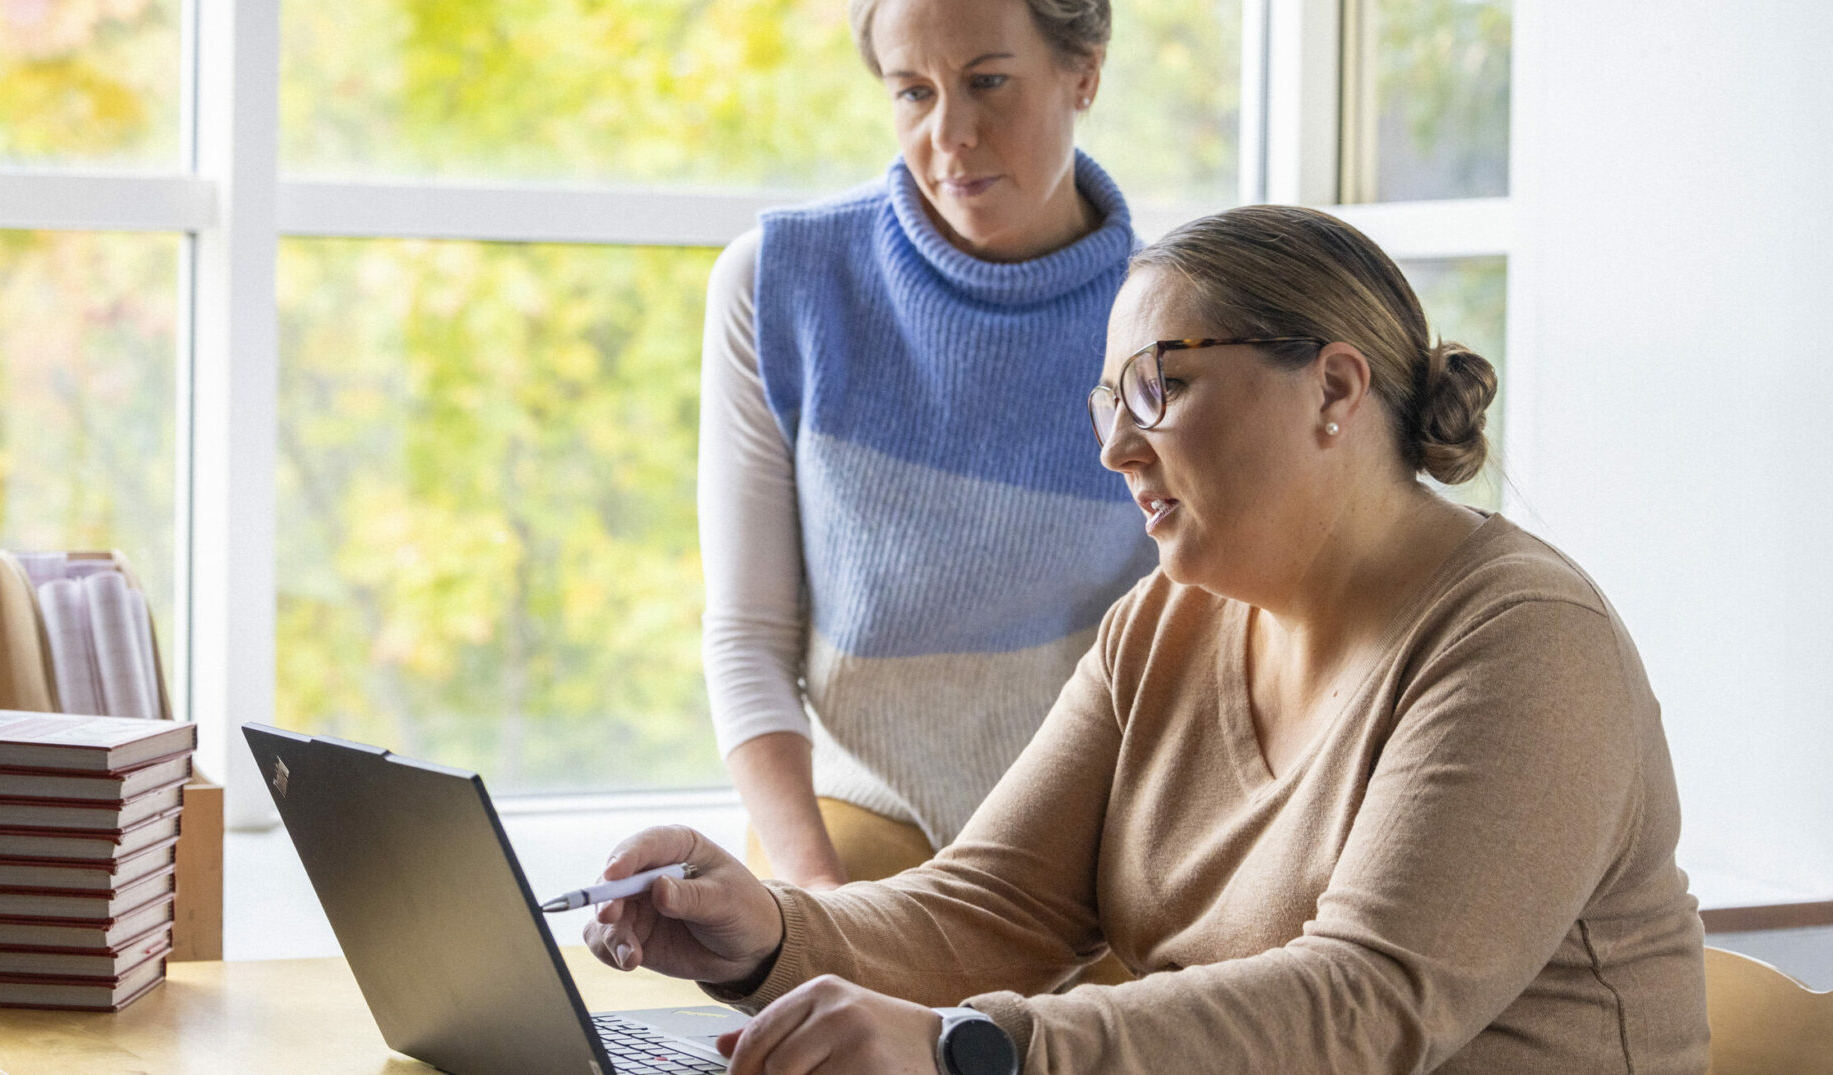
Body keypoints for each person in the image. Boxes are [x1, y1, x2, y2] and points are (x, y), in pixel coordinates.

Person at [591, 205, 1710, 1073]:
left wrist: (967, 1049)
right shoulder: (1165, 625)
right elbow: (993, 905)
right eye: (1107, 404)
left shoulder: (1520, 643)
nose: (1115, 449)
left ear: (1331, 386)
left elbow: (1362, 1008)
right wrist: (766, 932)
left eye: (1157, 387)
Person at [700, 0, 1161, 895]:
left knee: (1097, 1031)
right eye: (914, 93)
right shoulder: (776, 286)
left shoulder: (1170, 322)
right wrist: (816, 898)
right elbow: (748, 637)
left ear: (1085, 73)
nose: (951, 134)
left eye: (988, 82)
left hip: (1092, 830)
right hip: (861, 821)